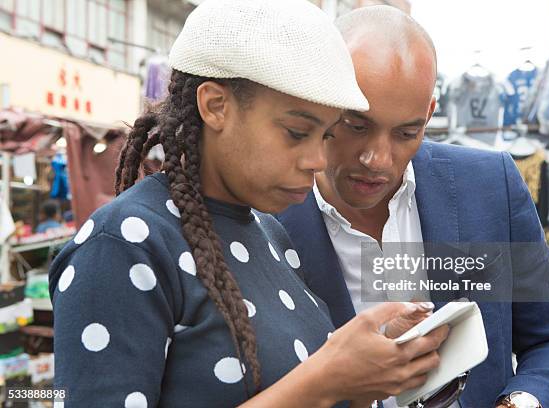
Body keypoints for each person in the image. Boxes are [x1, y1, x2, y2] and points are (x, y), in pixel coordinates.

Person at [47, 1, 448, 407]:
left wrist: (370, 363)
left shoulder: (270, 232)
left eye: (326, 135)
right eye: (296, 132)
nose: (318, 161)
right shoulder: (122, 244)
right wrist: (325, 380)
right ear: (216, 105)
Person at [278, 6, 549, 408]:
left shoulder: (488, 187)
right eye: (356, 125)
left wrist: (520, 403)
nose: (377, 159)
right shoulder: (264, 215)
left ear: (429, 114)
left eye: (407, 132)